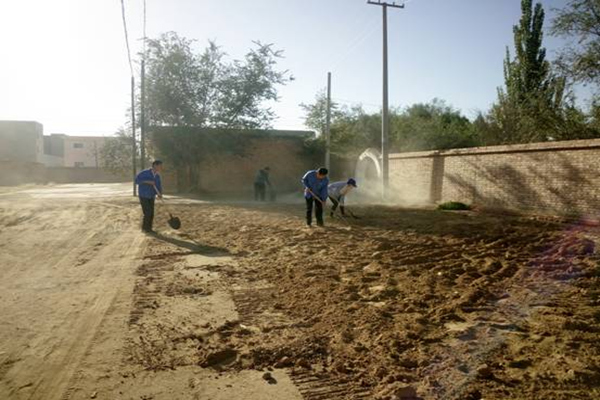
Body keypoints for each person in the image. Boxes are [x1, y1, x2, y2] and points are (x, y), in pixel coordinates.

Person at [135, 160, 163, 234]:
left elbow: (158, 186)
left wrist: (159, 194)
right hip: (143, 195)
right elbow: (137, 181)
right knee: (148, 212)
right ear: (155, 165)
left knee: (151, 213)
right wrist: (147, 181)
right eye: (160, 166)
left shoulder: (157, 176)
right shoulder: (144, 173)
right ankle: (145, 228)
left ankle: (149, 229)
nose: (161, 167)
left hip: (151, 196)